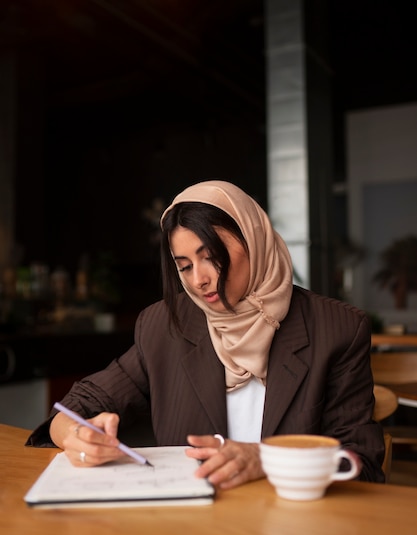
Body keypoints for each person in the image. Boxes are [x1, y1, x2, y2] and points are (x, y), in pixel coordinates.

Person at [27, 180, 386, 486]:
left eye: (211, 256)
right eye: (184, 266)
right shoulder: (165, 325)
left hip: (294, 533)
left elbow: (361, 463)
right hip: (192, 532)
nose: (199, 280)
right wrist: (72, 434)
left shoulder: (336, 329)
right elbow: (81, 403)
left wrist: (268, 460)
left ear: (254, 238)